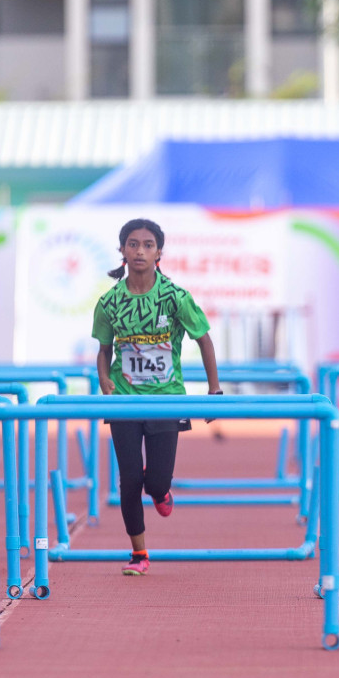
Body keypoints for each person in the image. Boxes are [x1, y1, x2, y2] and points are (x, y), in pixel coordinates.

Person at [93, 218, 222, 576]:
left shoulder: (175, 297)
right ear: (121, 251)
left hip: (167, 398)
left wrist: (214, 389)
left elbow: (204, 340)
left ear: (159, 253)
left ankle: (160, 489)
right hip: (126, 400)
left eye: (148, 245)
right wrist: (105, 379)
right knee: (129, 480)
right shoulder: (109, 302)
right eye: (132, 244)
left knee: (156, 482)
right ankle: (139, 553)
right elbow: (104, 350)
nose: (139, 251)